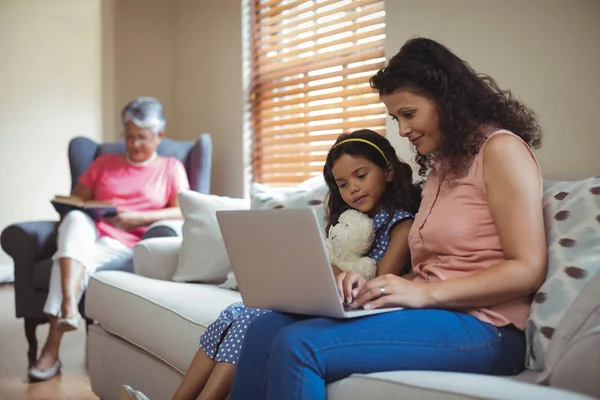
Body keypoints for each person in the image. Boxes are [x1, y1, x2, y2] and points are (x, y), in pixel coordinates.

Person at [228, 37, 548, 400]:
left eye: (408, 114)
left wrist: (423, 292)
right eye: (396, 117)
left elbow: (527, 268)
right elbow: (437, 266)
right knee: (263, 328)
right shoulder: (443, 165)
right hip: (434, 310)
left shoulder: (501, 150)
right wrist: (372, 288)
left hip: (487, 326)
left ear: (447, 99)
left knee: (300, 345)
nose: (402, 130)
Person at [118, 129, 421, 400]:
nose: (352, 188)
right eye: (342, 183)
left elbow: (377, 285)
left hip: (354, 311)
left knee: (252, 321)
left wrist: (322, 267)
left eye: (361, 175)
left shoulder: (401, 224)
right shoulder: (349, 222)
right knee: (236, 312)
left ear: (389, 171)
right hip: (321, 300)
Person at [28, 97, 190, 381]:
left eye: (142, 138)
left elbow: (183, 211)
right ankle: (68, 306)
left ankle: (51, 350)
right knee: (76, 220)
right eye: (129, 137)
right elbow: (76, 201)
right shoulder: (103, 163)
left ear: (159, 136)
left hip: (133, 247)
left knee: (64, 263)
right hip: (94, 237)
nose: (135, 144)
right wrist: (79, 209)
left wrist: (136, 217)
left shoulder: (171, 167)